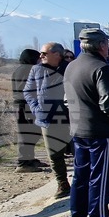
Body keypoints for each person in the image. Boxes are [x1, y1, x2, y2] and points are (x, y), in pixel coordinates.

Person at [64, 28, 109, 217]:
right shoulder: (102, 68)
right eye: (106, 43)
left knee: (81, 175)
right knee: (100, 177)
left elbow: (67, 100)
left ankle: (77, 216)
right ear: (101, 45)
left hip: (78, 129)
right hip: (100, 131)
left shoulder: (71, 66)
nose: (107, 46)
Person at [23, 42, 71, 198]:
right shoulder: (37, 70)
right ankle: (62, 184)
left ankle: (85, 180)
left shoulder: (69, 69)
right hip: (48, 118)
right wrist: (38, 109)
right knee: (54, 154)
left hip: (72, 117)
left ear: (57, 54)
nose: (40, 56)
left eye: (44, 53)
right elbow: (28, 92)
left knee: (80, 151)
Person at [12, 48, 44, 172]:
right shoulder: (30, 70)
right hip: (25, 105)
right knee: (27, 133)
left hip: (21, 104)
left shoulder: (18, 70)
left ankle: (29, 159)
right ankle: (23, 162)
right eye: (38, 58)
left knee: (30, 133)